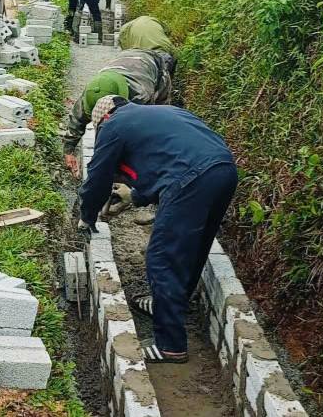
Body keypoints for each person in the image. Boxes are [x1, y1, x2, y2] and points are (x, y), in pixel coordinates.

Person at [79, 97, 237, 364]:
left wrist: (88, 216)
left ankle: (170, 345)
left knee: (162, 258)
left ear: (103, 120)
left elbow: (97, 176)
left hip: (191, 180)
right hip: (224, 171)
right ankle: (169, 305)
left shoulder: (114, 125)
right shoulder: (159, 113)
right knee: (194, 247)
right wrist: (135, 197)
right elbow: (168, 162)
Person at [61, 48, 175, 174]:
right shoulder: (93, 92)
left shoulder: (141, 96)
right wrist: (69, 150)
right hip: (124, 59)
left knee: (160, 120)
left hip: (154, 66)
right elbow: (77, 120)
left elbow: (144, 128)